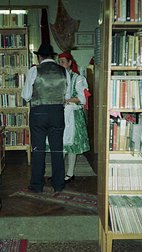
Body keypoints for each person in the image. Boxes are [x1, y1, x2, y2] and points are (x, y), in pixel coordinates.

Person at [21, 43, 71, 193]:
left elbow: (26, 95)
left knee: (38, 150)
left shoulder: (34, 70)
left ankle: (37, 185)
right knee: (57, 149)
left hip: (39, 113)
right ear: (53, 56)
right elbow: (67, 96)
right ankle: (58, 184)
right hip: (57, 112)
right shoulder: (63, 71)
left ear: (39, 56)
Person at [58, 52, 91, 183]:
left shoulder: (78, 78)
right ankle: (59, 172)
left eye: (63, 61)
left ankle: (70, 173)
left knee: (71, 145)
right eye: (59, 62)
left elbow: (81, 98)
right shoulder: (57, 77)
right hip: (60, 113)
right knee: (60, 145)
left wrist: (66, 100)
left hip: (72, 114)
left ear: (70, 62)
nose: (60, 64)